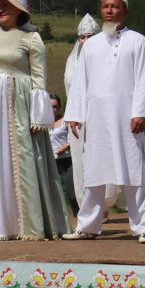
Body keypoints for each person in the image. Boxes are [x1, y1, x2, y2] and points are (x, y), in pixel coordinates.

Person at [0, 0, 70, 240]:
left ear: (18, 10)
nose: (0, 9)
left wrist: (39, 116)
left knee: (20, 159)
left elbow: (39, 79)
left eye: (6, 5)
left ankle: (26, 223)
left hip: (17, 104)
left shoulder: (31, 38)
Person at [63, 0, 145, 243]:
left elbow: (143, 79)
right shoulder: (91, 45)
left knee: (135, 172)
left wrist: (140, 112)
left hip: (127, 117)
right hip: (96, 118)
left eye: (115, 6)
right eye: (106, 6)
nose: (109, 10)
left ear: (125, 11)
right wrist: (74, 114)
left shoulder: (138, 41)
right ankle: (88, 226)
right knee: (94, 173)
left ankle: (144, 227)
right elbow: (80, 83)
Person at [64, 13, 101, 203]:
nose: (86, 40)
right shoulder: (72, 64)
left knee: (100, 163)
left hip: (100, 119)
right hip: (77, 121)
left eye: (91, 36)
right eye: (82, 36)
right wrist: (71, 116)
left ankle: (103, 204)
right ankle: (85, 206)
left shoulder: (105, 61)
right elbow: (69, 92)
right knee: (80, 166)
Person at [48, 94, 76, 212]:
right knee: (53, 193)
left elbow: (74, 138)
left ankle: (79, 217)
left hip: (65, 160)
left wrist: (64, 147)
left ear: (59, 107)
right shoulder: (43, 123)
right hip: (50, 161)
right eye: (50, 107)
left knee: (72, 192)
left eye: (55, 107)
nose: (53, 110)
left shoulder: (65, 121)